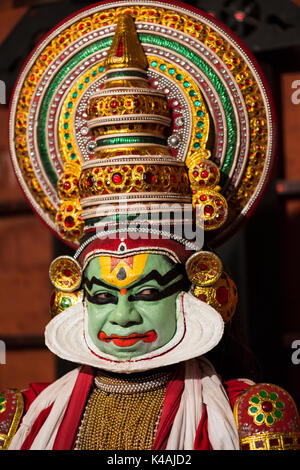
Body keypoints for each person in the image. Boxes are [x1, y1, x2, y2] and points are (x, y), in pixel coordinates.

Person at [1, 2, 299, 451]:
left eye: (146, 291)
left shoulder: (253, 418)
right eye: (101, 295)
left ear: (194, 289)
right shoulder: (16, 419)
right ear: (72, 296)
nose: (122, 317)